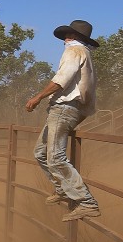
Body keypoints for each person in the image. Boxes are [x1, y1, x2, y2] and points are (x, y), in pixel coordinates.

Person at [25, 19, 101, 222]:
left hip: (65, 108)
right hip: (74, 108)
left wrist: (37, 97)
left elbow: (62, 79)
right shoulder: (85, 53)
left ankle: (86, 202)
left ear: (75, 37)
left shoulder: (74, 51)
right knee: (40, 152)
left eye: (68, 35)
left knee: (55, 156)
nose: (65, 39)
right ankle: (63, 189)